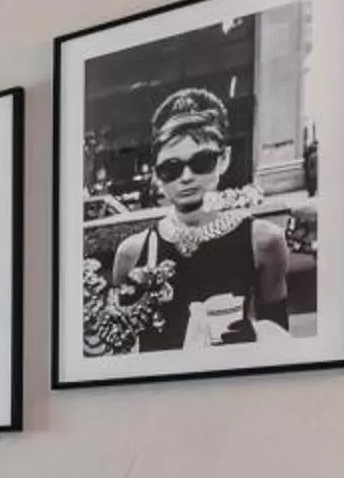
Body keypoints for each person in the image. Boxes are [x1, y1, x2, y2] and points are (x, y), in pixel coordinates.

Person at [106, 87, 300, 353]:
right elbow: (119, 351)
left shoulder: (263, 241)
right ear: (156, 175)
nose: (186, 177)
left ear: (224, 160)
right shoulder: (132, 252)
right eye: (171, 168)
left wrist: (251, 334)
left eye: (201, 162)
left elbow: (281, 345)